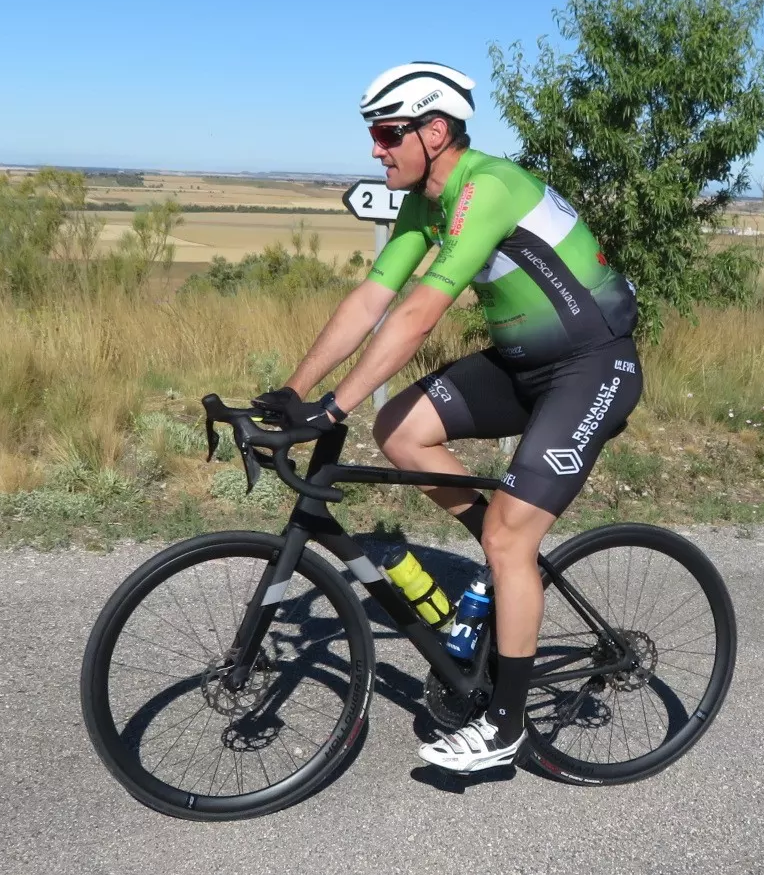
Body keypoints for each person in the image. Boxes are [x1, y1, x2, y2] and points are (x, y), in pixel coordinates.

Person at [259, 61, 642, 773]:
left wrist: (334, 406)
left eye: (387, 133)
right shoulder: (424, 201)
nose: (376, 148)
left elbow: (421, 310)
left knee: (507, 538)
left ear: (435, 132)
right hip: (524, 367)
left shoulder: (486, 187)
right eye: (374, 134)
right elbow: (374, 296)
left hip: (593, 367)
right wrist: (295, 391)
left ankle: (504, 725)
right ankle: (504, 562)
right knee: (400, 428)